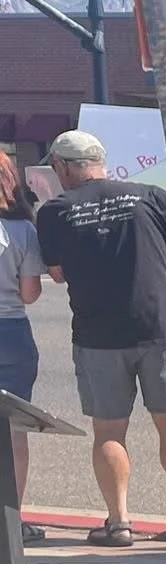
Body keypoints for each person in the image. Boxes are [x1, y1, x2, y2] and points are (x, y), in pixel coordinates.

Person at [33, 130, 166, 547]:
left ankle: (119, 522)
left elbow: (55, 272)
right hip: (159, 326)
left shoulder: (55, 211)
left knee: (109, 431)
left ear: (63, 167)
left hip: (98, 335)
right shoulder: (148, 195)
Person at [0, 153, 48, 542]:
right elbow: (30, 294)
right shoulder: (22, 232)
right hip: (10, 332)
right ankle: (11, 520)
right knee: (14, 430)